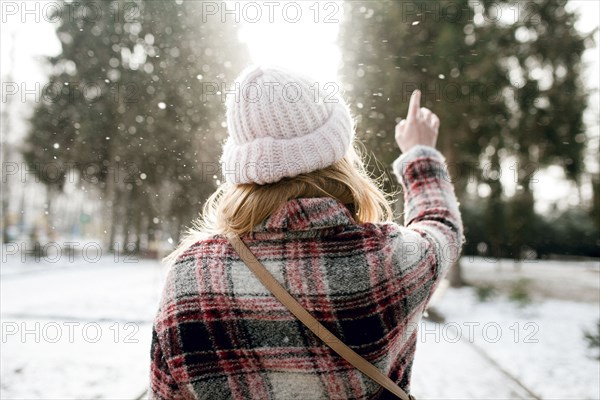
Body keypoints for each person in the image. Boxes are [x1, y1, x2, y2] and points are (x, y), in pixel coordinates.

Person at [149, 65, 464, 399]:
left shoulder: (189, 279)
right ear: (338, 156)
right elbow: (441, 226)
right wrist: (419, 153)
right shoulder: (388, 260)